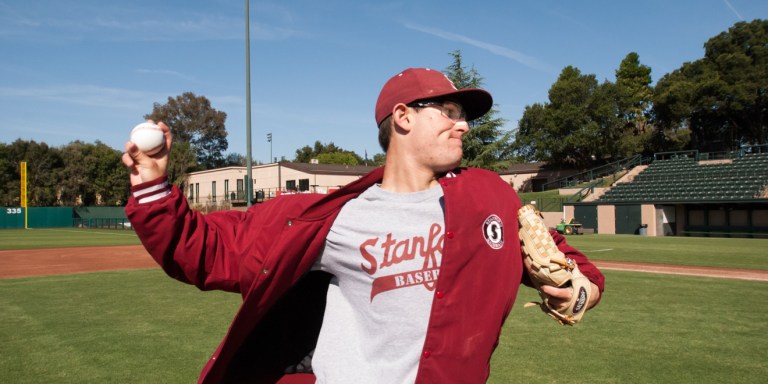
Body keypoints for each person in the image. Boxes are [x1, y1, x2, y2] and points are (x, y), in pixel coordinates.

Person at [123, 67, 605, 384]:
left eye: (464, 117)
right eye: (450, 112)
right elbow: (206, 250)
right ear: (402, 118)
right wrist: (151, 184)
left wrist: (579, 291)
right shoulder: (330, 216)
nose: (464, 126)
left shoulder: (489, 198)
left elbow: (571, 266)